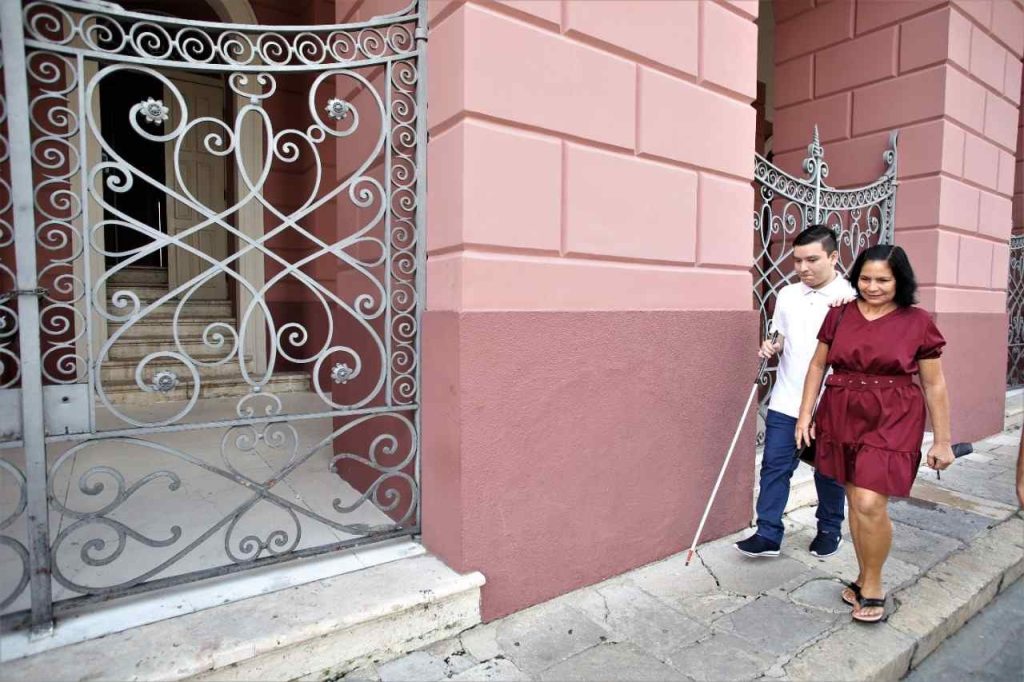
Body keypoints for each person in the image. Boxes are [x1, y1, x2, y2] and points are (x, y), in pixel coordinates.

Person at [796, 244, 954, 623]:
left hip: (893, 415)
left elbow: (934, 385)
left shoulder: (918, 322)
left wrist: (943, 439)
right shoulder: (839, 315)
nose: (872, 286)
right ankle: (863, 577)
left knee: (869, 502)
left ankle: (875, 585)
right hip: (841, 410)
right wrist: (805, 415)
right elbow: (817, 366)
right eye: (865, 278)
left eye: (883, 279)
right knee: (854, 497)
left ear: (900, 280)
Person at [735, 225, 854, 559]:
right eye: (797, 260)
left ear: (833, 257)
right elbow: (781, 336)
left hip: (831, 404)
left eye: (812, 259)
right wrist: (771, 346)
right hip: (787, 399)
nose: (803, 268)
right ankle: (768, 533)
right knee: (774, 465)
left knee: (829, 472)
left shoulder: (852, 298)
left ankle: (829, 529)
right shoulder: (787, 295)